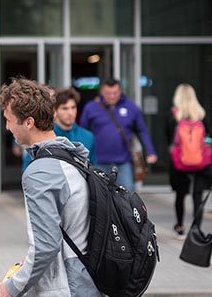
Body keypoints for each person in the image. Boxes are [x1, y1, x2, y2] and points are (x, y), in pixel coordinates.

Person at [0, 78, 99, 297]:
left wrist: (11, 288)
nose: (7, 127)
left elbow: (46, 246)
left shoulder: (41, 172)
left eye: (8, 120)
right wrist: (27, 267)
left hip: (67, 286)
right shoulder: (72, 154)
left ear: (29, 122)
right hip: (87, 277)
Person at [80, 78, 157, 192]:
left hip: (123, 162)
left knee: (127, 195)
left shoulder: (131, 107)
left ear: (120, 91)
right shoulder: (91, 108)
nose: (112, 96)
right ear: (102, 92)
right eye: (108, 93)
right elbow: (83, 132)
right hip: (98, 162)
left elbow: (142, 130)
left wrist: (150, 151)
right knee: (100, 197)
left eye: (115, 93)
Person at [165, 83, 212, 239]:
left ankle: (180, 227)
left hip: (179, 163)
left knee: (180, 195)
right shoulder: (201, 115)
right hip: (200, 163)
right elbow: (208, 139)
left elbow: (169, 140)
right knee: (197, 195)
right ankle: (196, 228)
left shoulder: (172, 117)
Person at [54, 88, 97, 165]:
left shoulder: (88, 136)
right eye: (65, 108)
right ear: (55, 111)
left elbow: (93, 168)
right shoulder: (46, 137)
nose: (70, 113)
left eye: (73, 107)